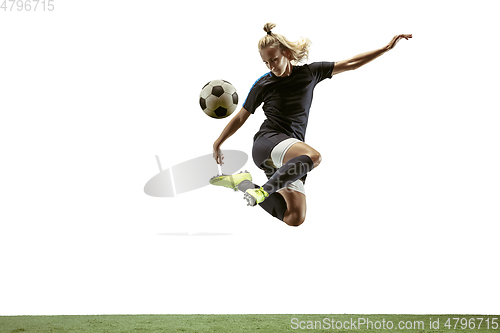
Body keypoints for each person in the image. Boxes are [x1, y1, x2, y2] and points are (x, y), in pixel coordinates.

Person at [210, 22, 412, 227]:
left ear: (287, 53)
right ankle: (263, 190)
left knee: (294, 217)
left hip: (291, 159)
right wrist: (218, 142)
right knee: (314, 156)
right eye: (266, 63)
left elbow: (351, 63)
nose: (271, 67)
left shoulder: (311, 72)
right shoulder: (263, 84)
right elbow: (241, 117)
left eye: (274, 60)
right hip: (267, 144)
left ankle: (243, 183)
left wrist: (386, 48)